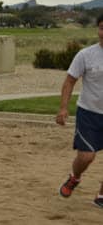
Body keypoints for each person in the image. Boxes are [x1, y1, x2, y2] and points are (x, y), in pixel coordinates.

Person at [56, 13, 103, 208]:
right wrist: (63, 108)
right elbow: (69, 81)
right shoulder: (85, 55)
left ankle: (101, 195)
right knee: (86, 156)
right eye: (101, 27)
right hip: (89, 113)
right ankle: (74, 177)